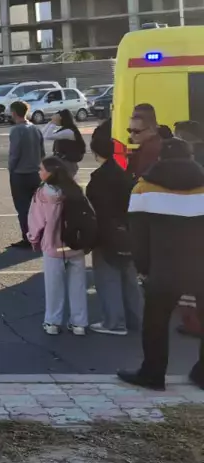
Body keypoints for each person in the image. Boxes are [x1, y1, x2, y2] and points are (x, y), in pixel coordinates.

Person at [118, 138, 204, 391]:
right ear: (191, 157)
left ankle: (152, 374)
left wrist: (144, 268)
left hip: (164, 267)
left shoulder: (143, 188)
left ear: (160, 158)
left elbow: (138, 236)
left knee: (156, 322)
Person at [85, 118, 141, 336]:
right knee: (129, 278)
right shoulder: (124, 174)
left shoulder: (99, 179)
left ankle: (114, 322)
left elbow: (97, 210)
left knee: (108, 278)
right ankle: (136, 319)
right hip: (128, 230)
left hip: (107, 233)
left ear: (96, 153)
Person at [27, 157, 90, 336]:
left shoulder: (43, 193)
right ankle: (79, 323)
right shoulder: (75, 189)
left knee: (54, 287)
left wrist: (33, 239)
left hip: (53, 246)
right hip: (75, 245)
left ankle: (53, 322)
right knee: (78, 285)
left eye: (41, 169)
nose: (39, 172)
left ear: (50, 173)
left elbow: (36, 220)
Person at [8, 100, 45, 250]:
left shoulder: (17, 130)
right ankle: (39, 236)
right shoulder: (35, 129)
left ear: (14, 113)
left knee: (23, 208)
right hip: (35, 173)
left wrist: (11, 169)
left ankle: (28, 237)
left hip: (21, 174)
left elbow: (14, 153)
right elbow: (42, 152)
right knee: (36, 208)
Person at [43, 109, 87, 178]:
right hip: (63, 162)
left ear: (62, 118)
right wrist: (51, 122)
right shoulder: (66, 129)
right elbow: (43, 134)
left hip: (68, 164)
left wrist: (53, 123)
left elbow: (47, 136)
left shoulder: (69, 132)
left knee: (64, 183)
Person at [127, 103, 163, 179]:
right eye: (129, 130)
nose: (131, 135)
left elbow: (141, 180)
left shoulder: (150, 151)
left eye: (136, 131)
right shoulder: (146, 146)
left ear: (151, 129)